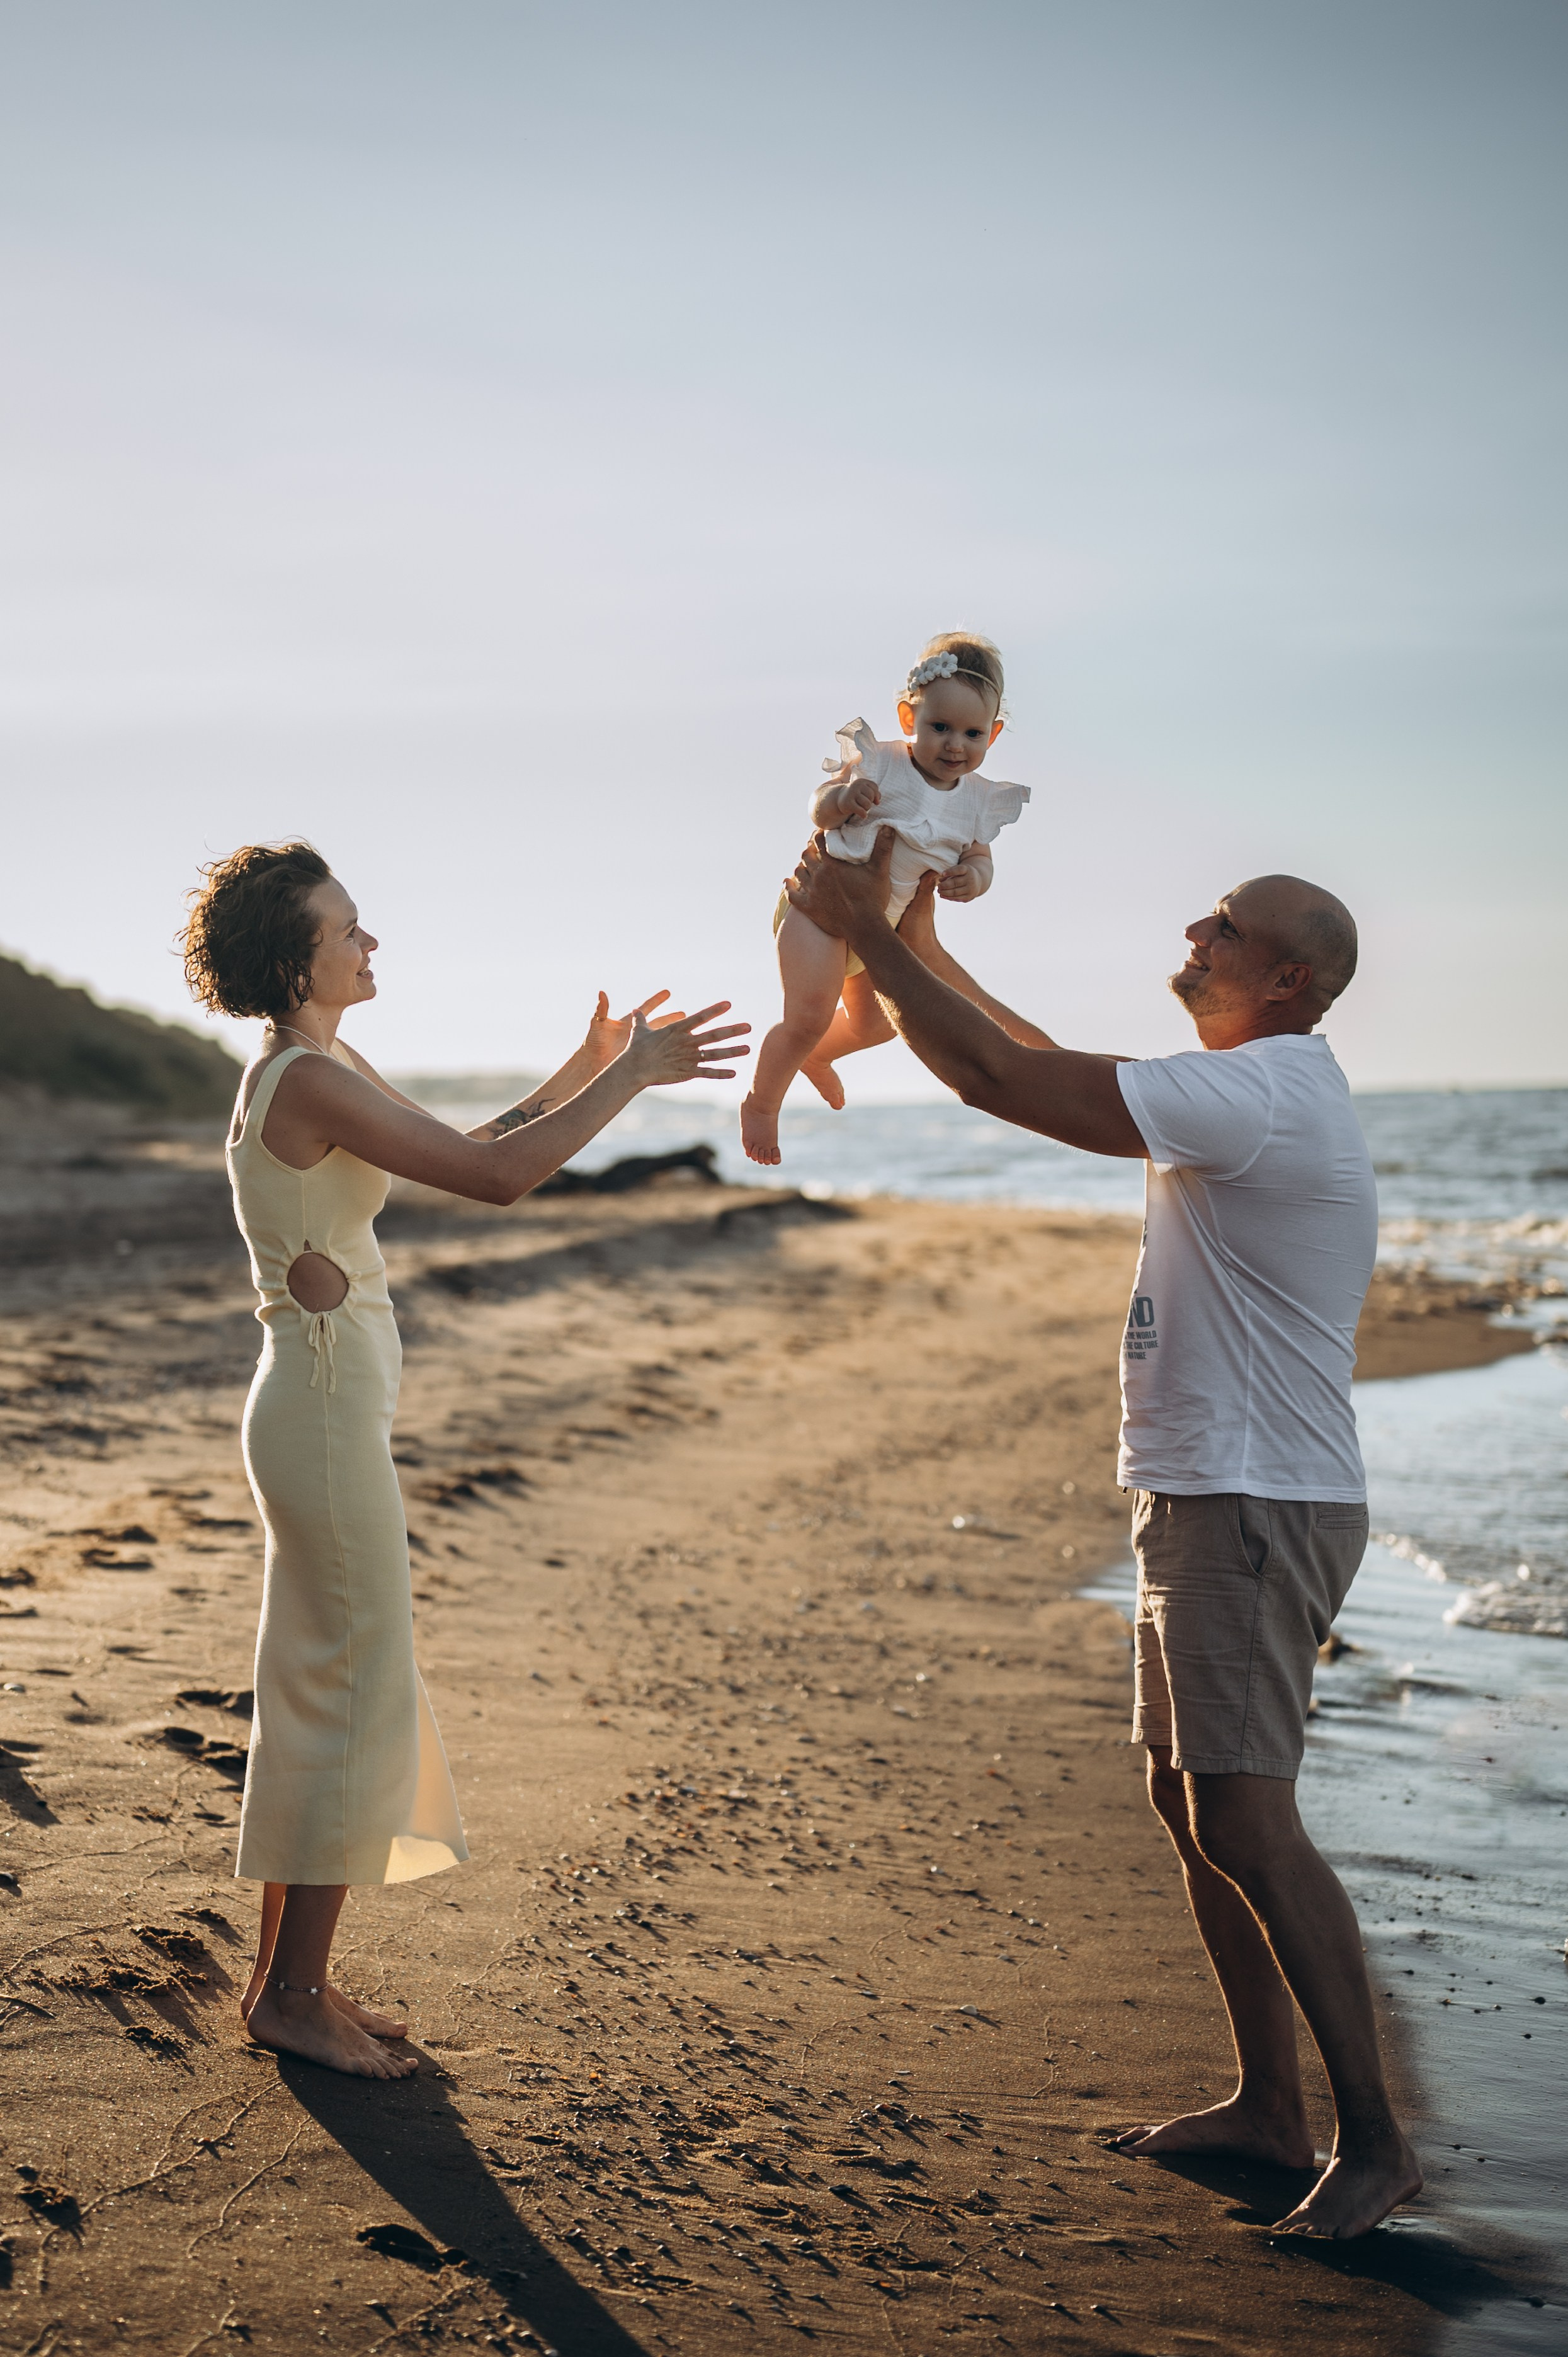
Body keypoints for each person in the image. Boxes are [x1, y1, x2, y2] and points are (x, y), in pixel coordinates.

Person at [784, 830, 1421, 2242]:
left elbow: (1011, 1083)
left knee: (1245, 1813)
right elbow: (1029, 1045)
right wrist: (913, 944)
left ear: (1288, 973)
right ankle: (1268, 2104)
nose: (1192, 931)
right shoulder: (1236, 1084)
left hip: (1254, 1497)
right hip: (1206, 1489)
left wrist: (866, 934)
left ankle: (1374, 2142)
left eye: (1223, 926)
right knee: (1187, 1800)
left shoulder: (1261, 1090)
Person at [180, 841, 747, 2079]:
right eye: (350, 928)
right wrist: (640, 1079)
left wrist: (586, 1067)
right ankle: (289, 1993)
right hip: (320, 1417)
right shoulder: (298, 1074)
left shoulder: (317, 1063)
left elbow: (464, 1142)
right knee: (354, 1690)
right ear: (295, 952)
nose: (372, 944)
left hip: (323, 1412)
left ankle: (295, 1980)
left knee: (326, 1688)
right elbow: (499, 1180)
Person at [740, 632, 1030, 1166]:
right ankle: (761, 1104)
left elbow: (981, 857)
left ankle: (818, 1055)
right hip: (819, 914)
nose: (954, 745)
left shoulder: (978, 802)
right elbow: (818, 806)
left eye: (971, 733)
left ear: (993, 733)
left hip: (882, 932)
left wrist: (974, 877)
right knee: (806, 1015)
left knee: (879, 1024)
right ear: (907, 718)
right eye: (938, 727)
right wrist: (842, 800)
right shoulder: (883, 764)